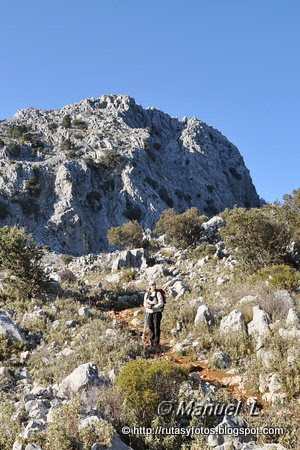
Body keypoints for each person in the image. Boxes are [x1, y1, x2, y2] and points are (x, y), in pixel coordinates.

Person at [143, 281, 164, 352]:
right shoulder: (147, 294)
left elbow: (161, 303)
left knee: (156, 327)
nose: (153, 286)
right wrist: (148, 306)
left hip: (157, 312)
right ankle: (152, 342)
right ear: (149, 286)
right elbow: (144, 303)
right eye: (152, 285)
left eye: (154, 284)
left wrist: (153, 307)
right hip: (149, 312)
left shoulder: (158, 293)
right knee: (150, 326)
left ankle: (156, 343)